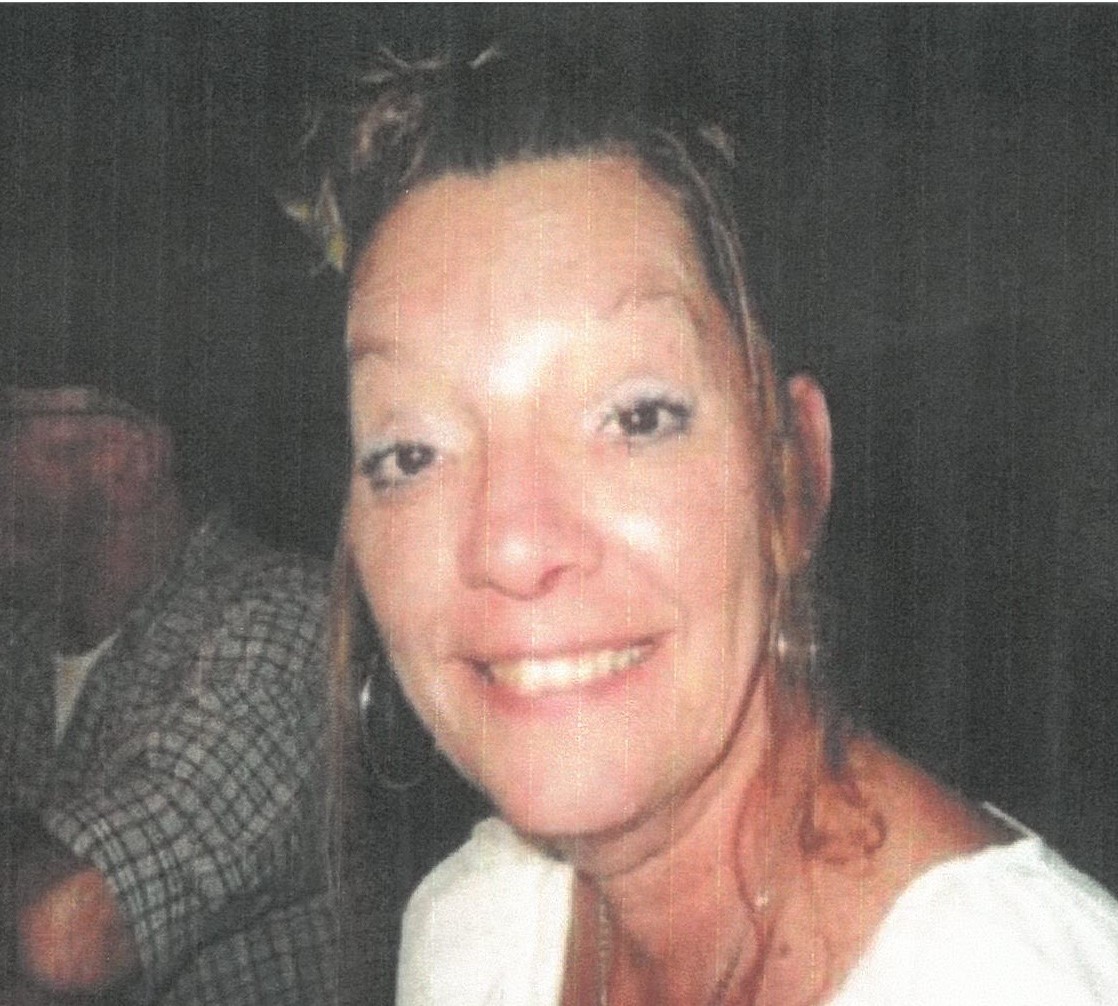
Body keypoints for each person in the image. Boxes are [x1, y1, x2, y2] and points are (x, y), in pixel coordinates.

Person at [292, 45, 1118, 1004]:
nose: (510, 547)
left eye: (636, 417)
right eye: (411, 452)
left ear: (792, 475)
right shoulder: (470, 930)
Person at [0, 386, 337, 1004]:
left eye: (7, 422)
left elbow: (69, 932)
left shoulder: (287, 617)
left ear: (130, 461)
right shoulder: (17, 646)